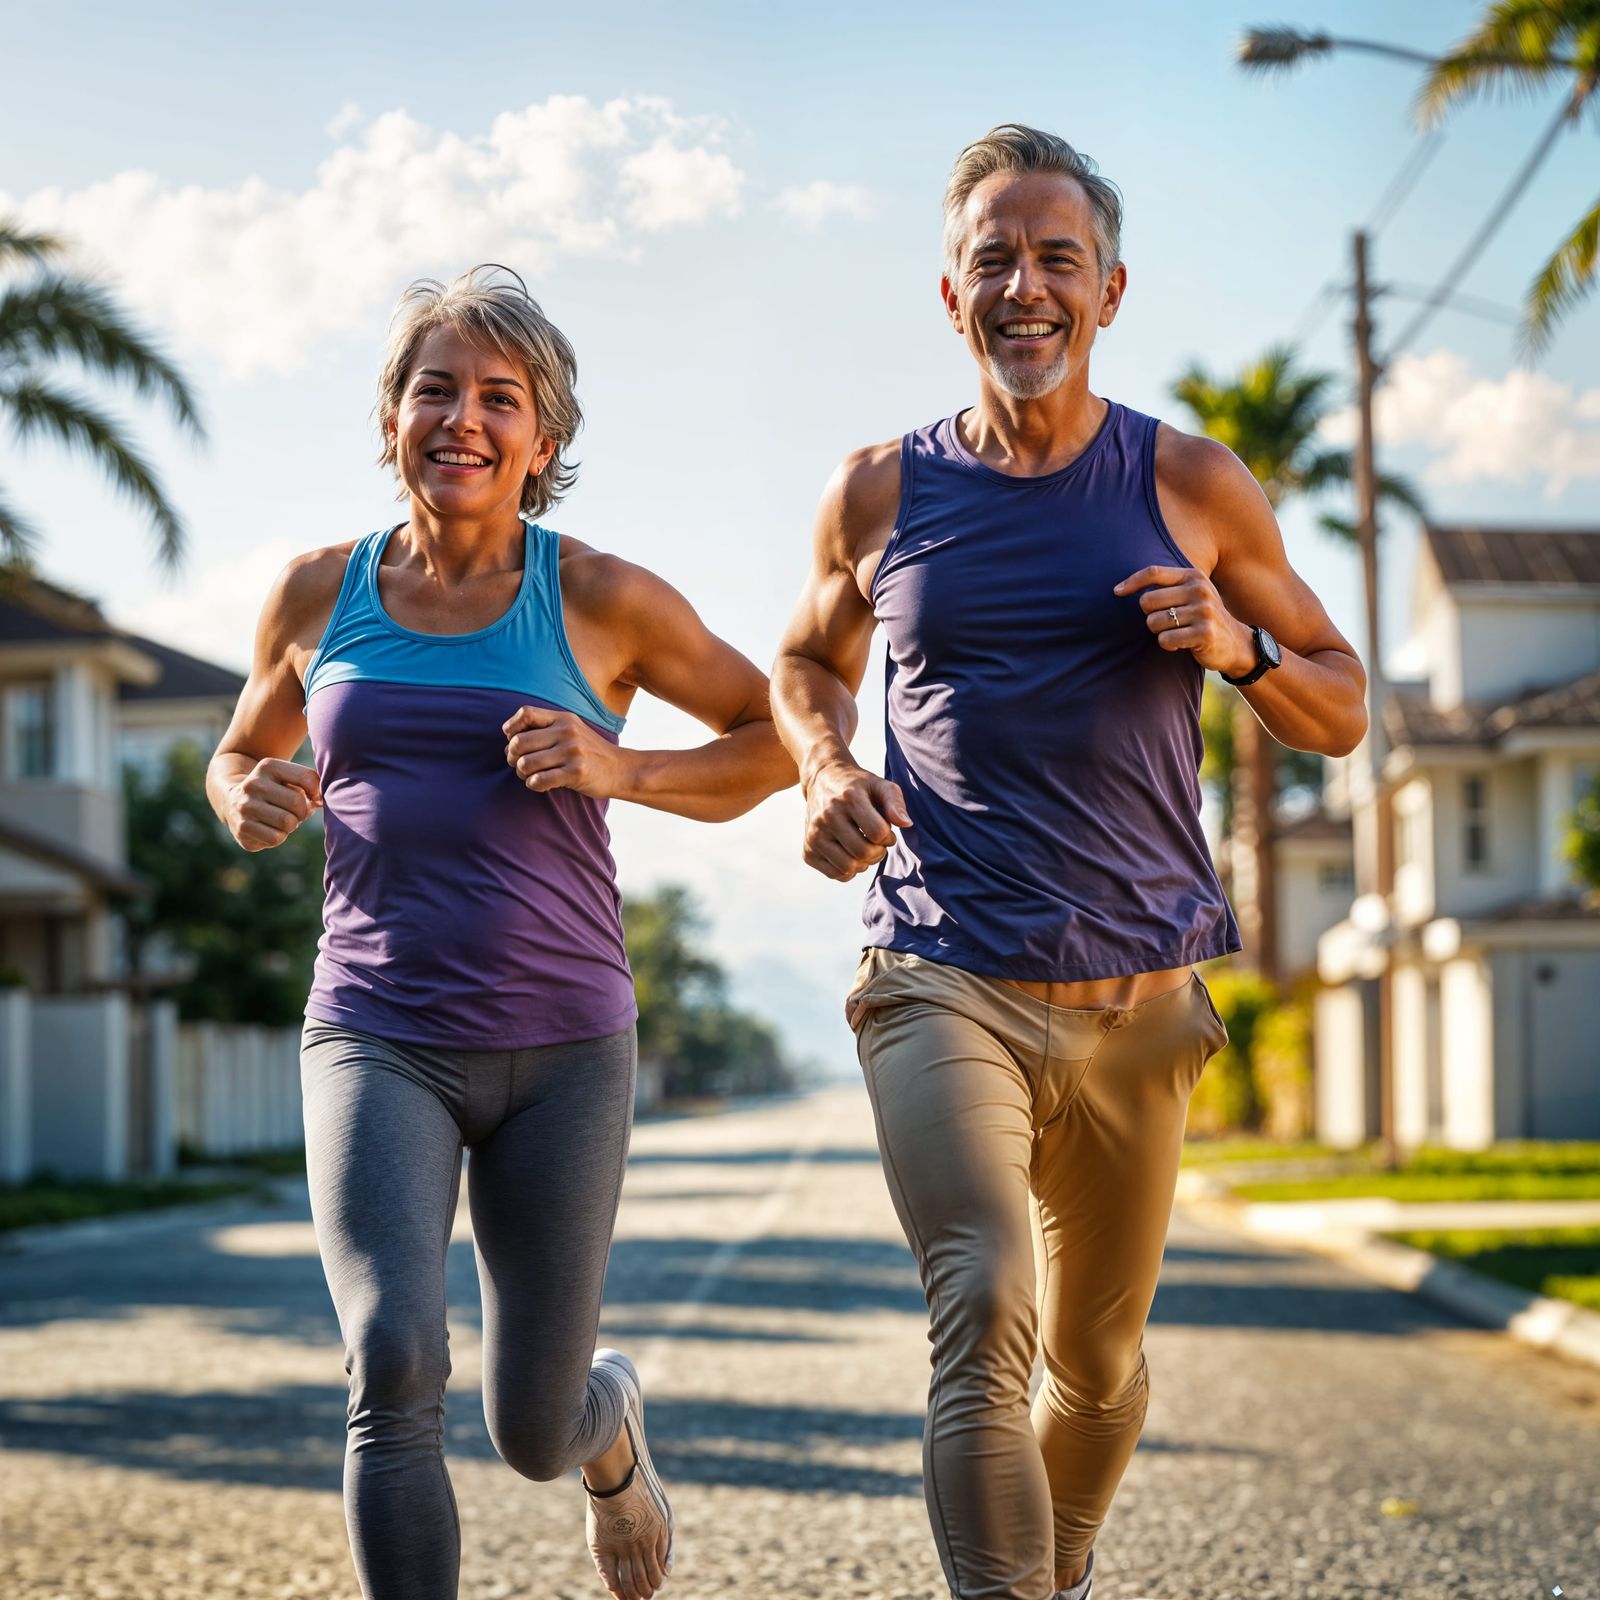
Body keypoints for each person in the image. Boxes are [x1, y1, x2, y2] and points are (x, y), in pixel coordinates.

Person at [770, 126, 1367, 1600]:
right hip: (938, 970)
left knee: (1096, 1368)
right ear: (951, 294)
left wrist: (1235, 649)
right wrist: (829, 764)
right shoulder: (877, 493)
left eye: (1055, 260)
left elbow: (1343, 704)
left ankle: (1063, 1566)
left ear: (1109, 290)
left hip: (1140, 997)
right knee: (985, 1299)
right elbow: (800, 656)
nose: (1023, 285)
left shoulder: (1189, 481)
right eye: (994, 259)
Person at [208, 264, 793, 1600]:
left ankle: (606, 1431)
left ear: (544, 440)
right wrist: (242, 794)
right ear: (390, 417)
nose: (461, 418)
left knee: (529, 1428)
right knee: (394, 1358)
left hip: (565, 1047)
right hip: (373, 1030)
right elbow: (239, 748)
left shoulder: (599, 596)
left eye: (498, 397)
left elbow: (776, 740)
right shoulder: (315, 592)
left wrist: (621, 767)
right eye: (435, 389)